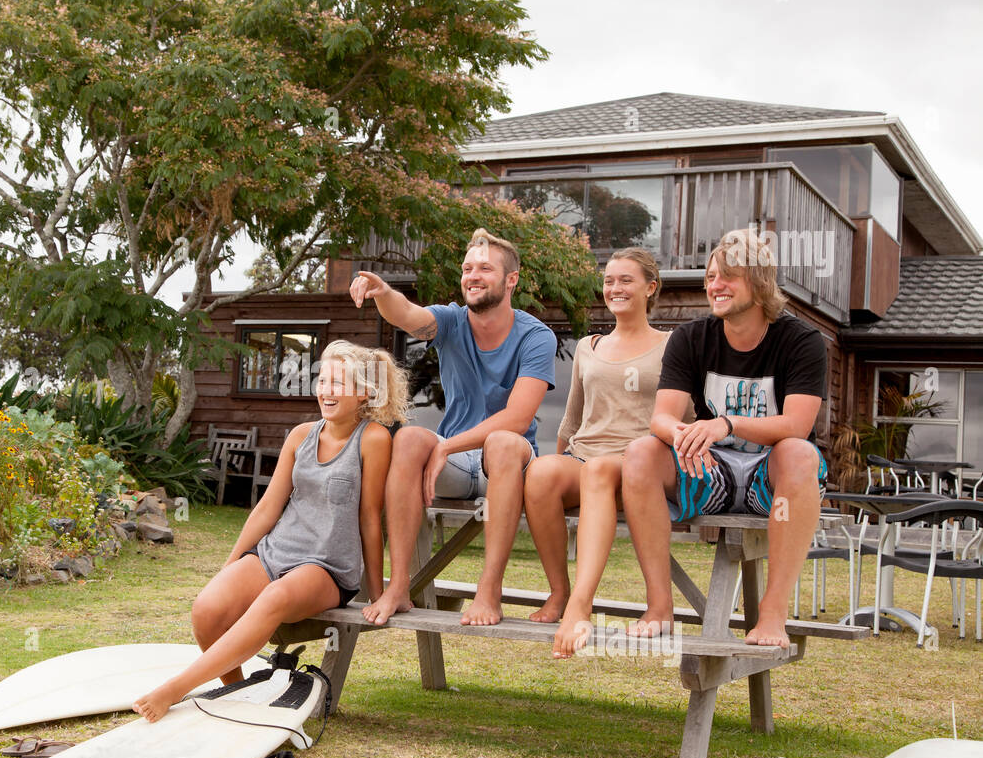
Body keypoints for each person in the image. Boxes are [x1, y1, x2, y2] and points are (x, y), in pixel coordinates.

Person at [132, 340, 406, 722]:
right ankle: (236, 690)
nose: (326, 391)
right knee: (207, 609)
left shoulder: (374, 439)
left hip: (326, 567)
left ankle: (175, 689)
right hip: (276, 552)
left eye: (338, 383)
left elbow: (370, 517)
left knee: (273, 599)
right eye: (322, 381)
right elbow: (267, 508)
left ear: (363, 393)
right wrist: (231, 564)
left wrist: (377, 593)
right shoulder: (301, 435)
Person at [620, 228, 828, 648]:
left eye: (728, 276)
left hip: (770, 481)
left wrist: (727, 423)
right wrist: (686, 435)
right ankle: (659, 607)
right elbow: (662, 417)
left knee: (800, 454)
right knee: (642, 452)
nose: (716, 285)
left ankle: (772, 613)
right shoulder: (691, 338)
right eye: (712, 277)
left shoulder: (801, 341)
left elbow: (797, 425)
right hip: (708, 470)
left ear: (760, 282)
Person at [350, 228, 556, 627]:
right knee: (408, 436)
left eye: (484, 268)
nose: (472, 276)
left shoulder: (536, 336)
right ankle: (398, 586)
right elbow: (409, 315)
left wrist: (446, 446)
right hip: (459, 464)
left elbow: (517, 419)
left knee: (502, 441)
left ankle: (488, 589)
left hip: (513, 465)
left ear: (511, 279)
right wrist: (383, 292)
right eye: (466, 268)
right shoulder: (451, 321)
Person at [521, 248, 691, 656]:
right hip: (586, 456)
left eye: (626, 280)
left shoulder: (674, 344)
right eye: (609, 280)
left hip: (640, 461)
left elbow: (687, 413)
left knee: (598, 470)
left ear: (651, 288)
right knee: (541, 473)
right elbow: (572, 417)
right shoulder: (588, 346)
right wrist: (558, 455)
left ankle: (581, 605)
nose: (615, 288)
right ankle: (560, 592)